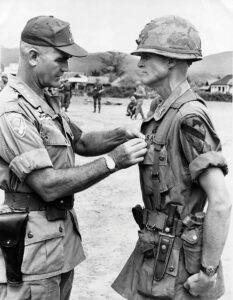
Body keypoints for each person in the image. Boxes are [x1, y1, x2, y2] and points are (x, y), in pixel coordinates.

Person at [0, 15, 147, 300]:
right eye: (60, 59)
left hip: (56, 244)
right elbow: (47, 185)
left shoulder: (44, 99)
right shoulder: (12, 112)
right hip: (31, 254)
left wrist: (120, 134)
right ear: (32, 56)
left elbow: (79, 140)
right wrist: (113, 161)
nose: (66, 68)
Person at [112, 15, 231, 300]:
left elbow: (221, 202)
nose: (138, 63)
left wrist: (208, 273)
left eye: (147, 56)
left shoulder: (189, 116)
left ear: (170, 62)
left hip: (179, 260)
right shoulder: (160, 109)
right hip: (154, 247)